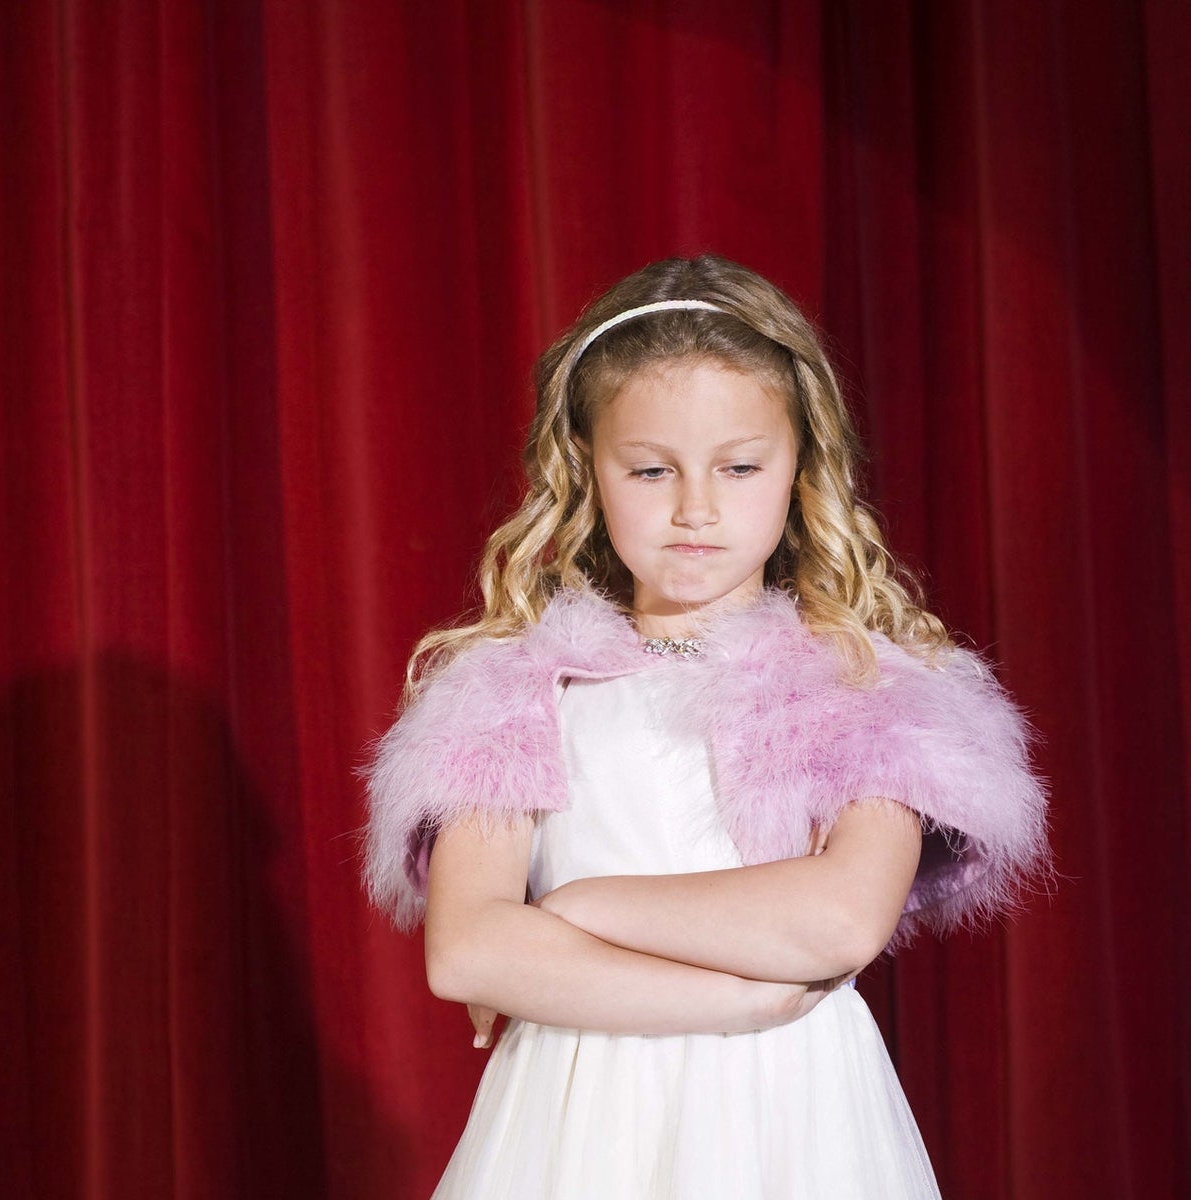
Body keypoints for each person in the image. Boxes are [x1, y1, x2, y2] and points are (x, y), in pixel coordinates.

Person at [355, 253, 1056, 1197]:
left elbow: (840, 921)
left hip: (795, 1122)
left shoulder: (864, 686)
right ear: (587, 471)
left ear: (800, 469)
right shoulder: (515, 690)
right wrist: (736, 1002)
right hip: (577, 1125)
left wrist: (574, 911)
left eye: (738, 467)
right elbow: (470, 950)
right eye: (650, 469)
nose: (695, 509)